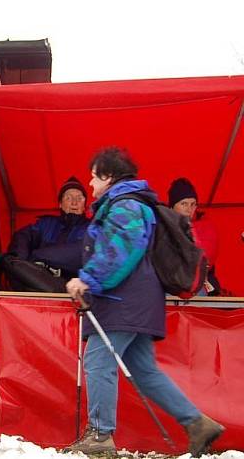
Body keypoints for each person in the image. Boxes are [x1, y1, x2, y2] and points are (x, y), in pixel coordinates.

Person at [65, 147, 224, 457]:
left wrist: (87, 279)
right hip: (138, 300)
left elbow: (121, 250)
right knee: (145, 371)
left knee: (98, 361)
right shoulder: (131, 203)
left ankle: (100, 436)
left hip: (122, 299)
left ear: (108, 177)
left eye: (94, 176)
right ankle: (197, 424)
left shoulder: (125, 205)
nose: (90, 182)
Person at [1, 176, 90, 291]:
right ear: (60, 204)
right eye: (68, 198)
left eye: (79, 198)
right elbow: (22, 236)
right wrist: (21, 261)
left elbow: (81, 251)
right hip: (41, 279)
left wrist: (38, 256)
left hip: (74, 286)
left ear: (84, 206)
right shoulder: (46, 223)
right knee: (9, 262)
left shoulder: (91, 227)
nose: (74, 202)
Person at [168, 178, 223, 295]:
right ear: (172, 207)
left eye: (193, 204)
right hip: (169, 286)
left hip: (196, 287)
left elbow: (205, 262)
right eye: (184, 204)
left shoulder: (205, 227)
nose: (189, 209)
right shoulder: (162, 228)